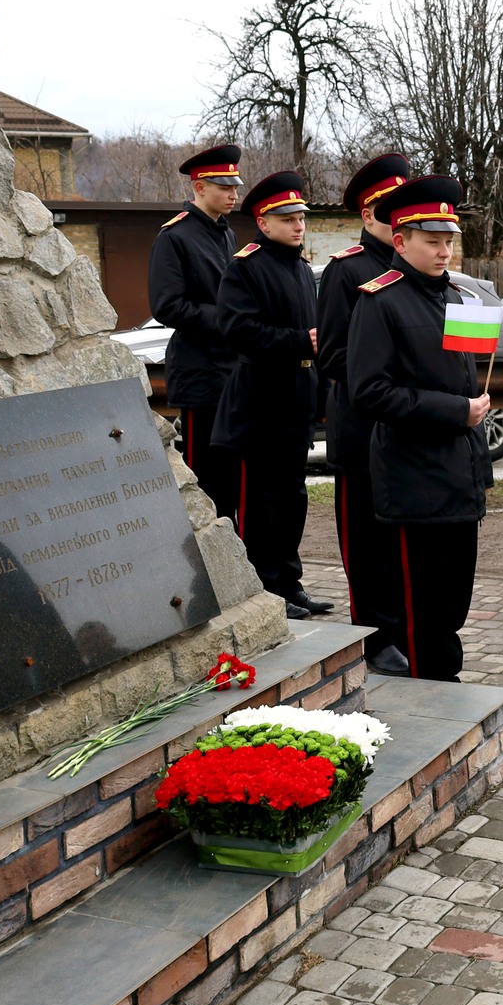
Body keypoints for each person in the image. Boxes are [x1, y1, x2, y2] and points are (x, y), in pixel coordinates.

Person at [347, 177, 492, 681]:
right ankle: (429, 692)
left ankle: (445, 682)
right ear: (401, 240)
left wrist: (472, 413)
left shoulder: (455, 295)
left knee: (453, 602)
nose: (444, 250)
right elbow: (369, 391)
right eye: (433, 241)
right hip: (414, 477)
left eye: (449, 240)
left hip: (459, 473)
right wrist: (457, 411)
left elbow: (462, 374)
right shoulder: (379, 300)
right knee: (421, 605)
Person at [210, 170, 329, 618]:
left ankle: (290, 583)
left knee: (293, 497)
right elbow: (238, 332)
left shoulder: (299, 266)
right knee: (263, 501)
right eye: (288, 217)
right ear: (263, 222)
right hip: (259, 400)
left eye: (301, 216)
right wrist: (302, 342)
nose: (299, 224)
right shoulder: (246, 265)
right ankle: (266, 589)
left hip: (296, 396)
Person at [317, 153, 413, 672]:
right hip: (361, 429)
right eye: (386, 208)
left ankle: (403, 628)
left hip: (405, 428)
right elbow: (331, 355)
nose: (395, 217)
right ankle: (375, 639)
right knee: (367, 542)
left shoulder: (412, 265)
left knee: (400, 539)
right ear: (368, 212)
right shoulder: (346, 269)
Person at [149, 145, 243, 519]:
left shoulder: (226, 234)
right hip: (201, 371)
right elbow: (168, 305)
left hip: (232, 368)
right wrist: (228, 319)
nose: (234, 194)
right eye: (225, 187)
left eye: (235, 186)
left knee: (233, 476)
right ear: (200, 187)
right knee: (208, 477)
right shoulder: (175, 237)